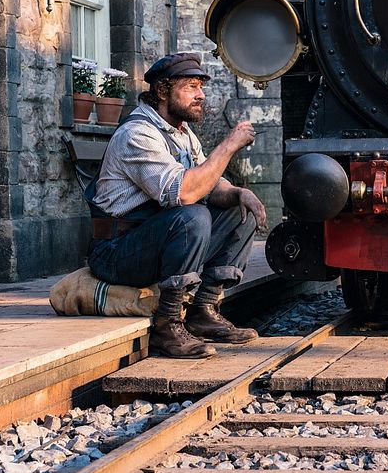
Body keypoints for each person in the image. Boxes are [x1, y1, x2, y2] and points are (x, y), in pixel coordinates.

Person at [87, 53, 267, 359]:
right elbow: (183, 193)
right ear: (162, 91)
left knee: (239, 209)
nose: (201, 95)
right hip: (118, 251)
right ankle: (167, 326)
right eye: (191, 87)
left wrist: (238, 193)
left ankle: (203, 311)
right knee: (192, 215)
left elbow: (209, 183)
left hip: (156, 242)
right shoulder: (138, 134)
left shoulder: (183, 135)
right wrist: (229, 145)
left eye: (201, 87)